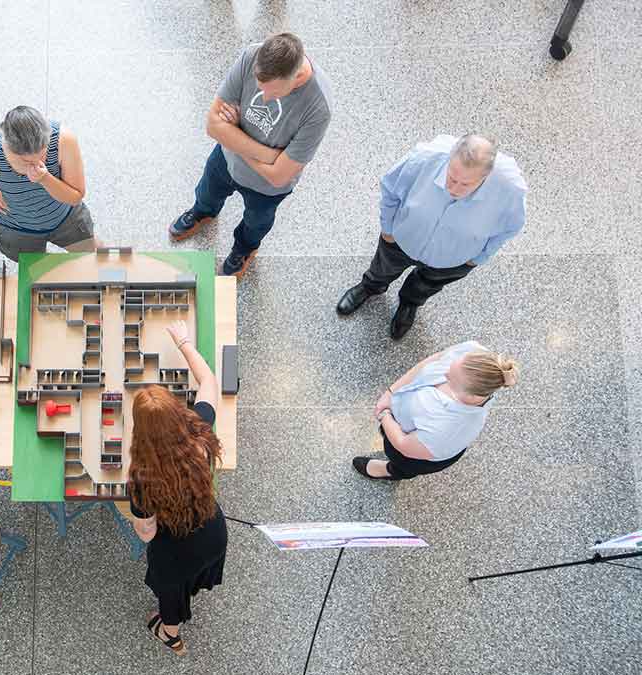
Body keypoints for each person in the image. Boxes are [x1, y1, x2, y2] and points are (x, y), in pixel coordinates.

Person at [168, 32, 333, 277]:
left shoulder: (318, 107)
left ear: (296, 77)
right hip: (225, 160)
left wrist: (233, 134)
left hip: (266, 189)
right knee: (207, 191)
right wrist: (268, 155)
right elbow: (213, 125)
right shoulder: (251, 55)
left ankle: (244, 248)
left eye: (274, 93)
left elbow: (278, 177)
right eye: (260, 87)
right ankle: (204, 212)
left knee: (257, 223)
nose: (264, 97)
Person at [336, 134, 527, 339]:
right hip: (402, 239)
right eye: (451, 177)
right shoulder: (422, 159)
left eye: (465, 184)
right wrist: (387, 230)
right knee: (383, 267)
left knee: (427, 284)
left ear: (485, 177)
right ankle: (371, 286)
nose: (452, 188)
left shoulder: (510, 192)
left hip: (452, 258)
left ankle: (410, 302)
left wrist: (478, 259)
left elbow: (510, 228)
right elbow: (390, 190)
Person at [128, 320, 225, 656]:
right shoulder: (199, 430)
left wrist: (135, 517)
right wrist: (183, 341)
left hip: (176, 548)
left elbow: (145, 534)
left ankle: (170, 633)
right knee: (191, 579)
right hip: (213, 530)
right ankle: (182, 607)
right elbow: (208, 380)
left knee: (170, 596)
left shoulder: (143, 478)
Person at [0, 105, 103, 262]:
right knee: (37, 270)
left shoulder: (64, 140)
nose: (38, 163)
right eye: (26, 160)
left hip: (65, 218)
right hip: (18, 229)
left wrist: (45, 179)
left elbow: (75, 196)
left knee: (91, 253)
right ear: (9, 149)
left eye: (43, 153)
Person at [353, 341, 518, 481]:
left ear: (468, 394)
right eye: (452, 365)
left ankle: (391, 471)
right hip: (401, 421)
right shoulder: (474, 352)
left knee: (403, 464)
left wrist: (385, 415)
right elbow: (434, 360)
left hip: (414, 454)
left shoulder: (448, 428)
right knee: (388, 438)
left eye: (450, 378)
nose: (445, 372)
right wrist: (391, 392)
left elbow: (403, 445)